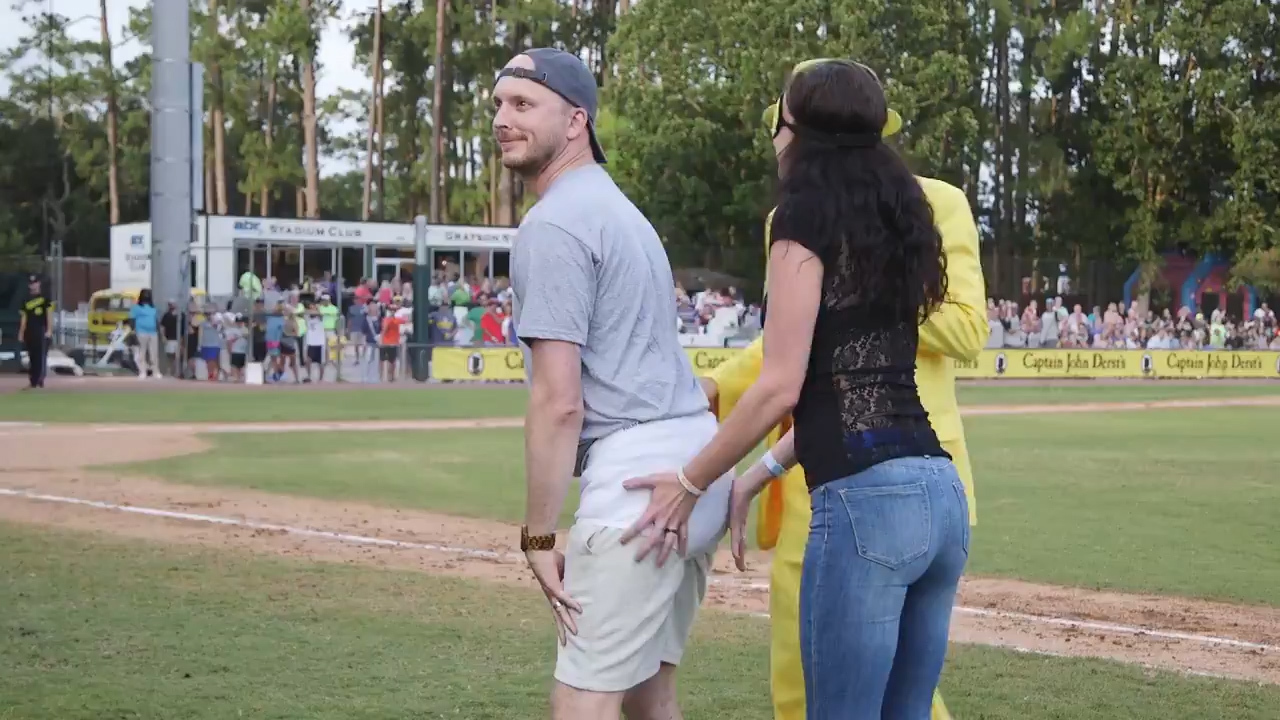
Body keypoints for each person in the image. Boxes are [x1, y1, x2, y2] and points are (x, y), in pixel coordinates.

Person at [623, 60, 975, 720]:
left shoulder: (801, 217)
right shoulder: (901, 218)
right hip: (940, 496)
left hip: (867, 506)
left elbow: (780, 384)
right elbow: (857, 386)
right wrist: (759, 473)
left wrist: (691, 481)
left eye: (777, 120)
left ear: (796, 131)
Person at [493, 47, 731, 720]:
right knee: (649, 700)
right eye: (500, 106)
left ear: (576, 122)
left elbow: (559, 400)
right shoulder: (617, 208)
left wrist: (539, 537)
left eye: (523, 105)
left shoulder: (555, 223)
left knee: (582, 707)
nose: (504, 121)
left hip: (638, 485)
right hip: (689, 469)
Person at [18, 275, 53, 389]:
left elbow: (49, 315)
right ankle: (33, 381)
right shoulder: (25, 300)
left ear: (39, 284)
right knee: (32, 356)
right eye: (31, 283)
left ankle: (39, 380)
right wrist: (21, 333)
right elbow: (24, 318)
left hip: (41, 330)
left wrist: (49, 330)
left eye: (35, 283)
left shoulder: (45, 298)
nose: (33, 285)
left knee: (40, 356)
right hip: (30, 331)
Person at [129, 289, 160, 379]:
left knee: (153, 353)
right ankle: (142, 371)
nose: (146, 296)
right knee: (142, 352)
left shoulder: (153, 308)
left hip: (153, 332)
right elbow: (132, 319)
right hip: (141, 331)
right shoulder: (136, 308)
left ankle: (155, 371)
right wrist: (133, 330)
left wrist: (158, 330)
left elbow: (156, 320)